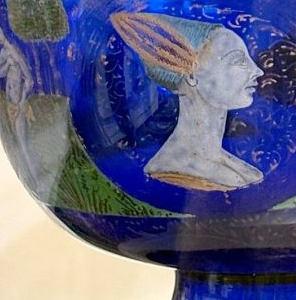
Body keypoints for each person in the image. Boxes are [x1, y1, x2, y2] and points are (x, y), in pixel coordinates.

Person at [110, 12, 265, 191]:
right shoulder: (173, 166)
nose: (258, 71)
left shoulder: (232, 166)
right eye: (239, 61)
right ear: (192, 76)